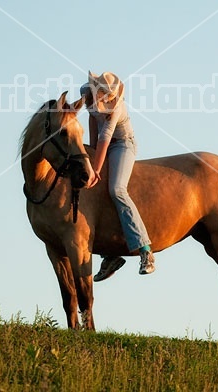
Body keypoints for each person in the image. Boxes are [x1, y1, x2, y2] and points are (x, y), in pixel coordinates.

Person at [81, 71, 155, 280]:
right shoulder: (87, 94)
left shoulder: (117, 107)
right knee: (94, 191)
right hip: (104, 145)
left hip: (123, 145)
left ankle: (145, 251)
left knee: (116, 189)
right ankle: (110, 256)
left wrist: (96, 168)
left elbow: (106, 136)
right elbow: (94, 124)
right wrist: (92, 152)